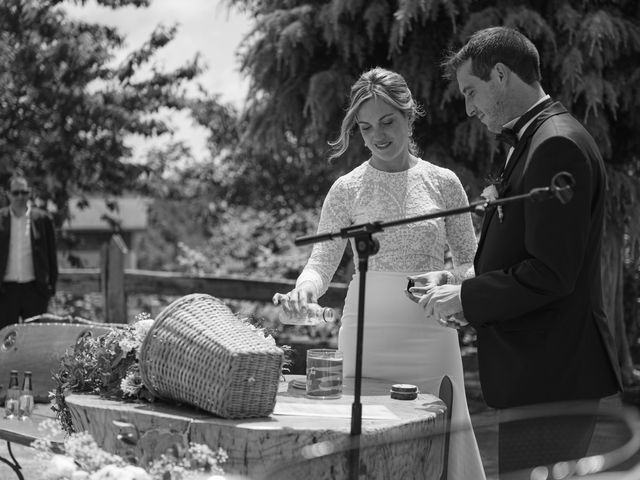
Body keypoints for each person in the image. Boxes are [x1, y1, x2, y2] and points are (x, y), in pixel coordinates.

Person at [411, 27, 622, 477]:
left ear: (501, 74)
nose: (468, 108)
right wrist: (461, 284)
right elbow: (529, 253)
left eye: (471, 91)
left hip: (553, 375)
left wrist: (468, 300)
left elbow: (550, 272)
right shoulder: (538, 139)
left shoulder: (556, 144)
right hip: (543, 372)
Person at [274, 67, 486, 480]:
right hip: (365, 336)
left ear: (410, 116)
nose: (377, 135)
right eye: (366, 127)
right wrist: (303, 291)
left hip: (431, 333)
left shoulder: (444, 182)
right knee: (367, 446)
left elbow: (469, 261)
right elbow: (321, 261)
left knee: (440, 448)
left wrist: (454, 283)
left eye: (387, 122)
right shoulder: (347, 188)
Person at [0, 174, 58, 328]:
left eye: (23, 192)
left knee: (35, 341)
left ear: (29, 193)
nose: (20, 196)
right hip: (5, 292)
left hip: (35, 290)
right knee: (4, 341)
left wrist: (50, 289)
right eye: (15, 193)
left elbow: (52, 257)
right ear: (8, 194)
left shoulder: (43, 219)